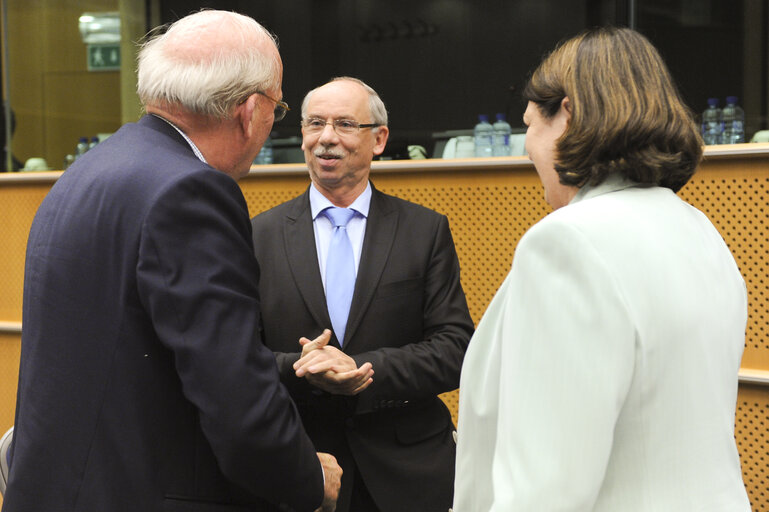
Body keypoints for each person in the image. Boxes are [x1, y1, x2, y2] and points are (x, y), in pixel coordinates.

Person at [4, 10, 341, 512]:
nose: (273, 121)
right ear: (249, 111)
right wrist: (308, 478)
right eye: (279, 106)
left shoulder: (90, 169)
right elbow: (234, 398)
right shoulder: (192, 192)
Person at [453, 27, 751, 512]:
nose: (525, 146)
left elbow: (547, 490)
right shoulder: (701, 231)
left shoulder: (567, 242)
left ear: (567, 115)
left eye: (530, 124)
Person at [251, 77, 474, 512]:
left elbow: (457, 349)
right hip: (302, 465)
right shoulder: (258, 235)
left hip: (407, 472)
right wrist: (300, 367)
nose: (326, 138)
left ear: (379, 139)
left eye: (345, 124)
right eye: (315, 123)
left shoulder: (424, 231)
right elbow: (238, 354)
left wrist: (363, 369)